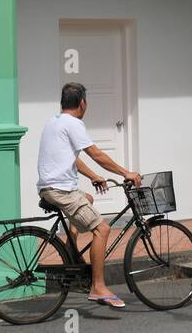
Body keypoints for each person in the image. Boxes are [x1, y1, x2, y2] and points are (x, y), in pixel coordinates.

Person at [37, 82, 140, 309]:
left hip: (51, 188)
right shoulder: (74, 124)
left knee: (88, 199)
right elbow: (96, 154)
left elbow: (70, 157)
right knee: (101, 229)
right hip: (61, 191)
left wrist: (94, 176)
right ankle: (98, 286)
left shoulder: (54, 122)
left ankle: (72, 255)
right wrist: (126, 172)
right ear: (82, 103)